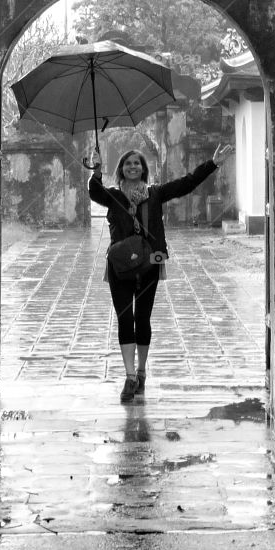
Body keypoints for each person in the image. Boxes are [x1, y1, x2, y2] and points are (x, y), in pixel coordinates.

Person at [88, 142, 234, 402]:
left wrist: (213, 164)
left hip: (150, 261)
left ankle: (142, 371)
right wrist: (96, 170)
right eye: (127, 163)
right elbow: (94, 192)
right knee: (124, 319)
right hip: (119, 265)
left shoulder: (155, 193)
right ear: (121, 169)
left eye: (137, 163)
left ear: (143, 169)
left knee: (142, 318)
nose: (132, 166)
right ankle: (130, 376)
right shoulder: (113, 195)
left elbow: (186, 183)